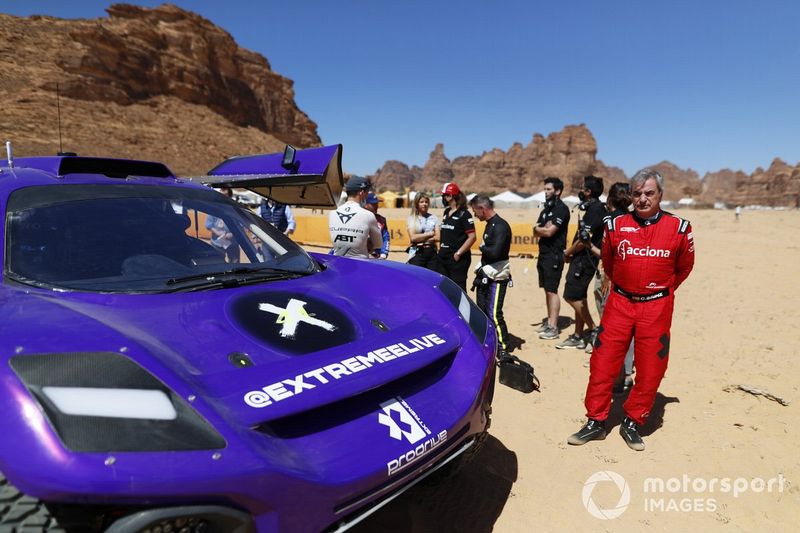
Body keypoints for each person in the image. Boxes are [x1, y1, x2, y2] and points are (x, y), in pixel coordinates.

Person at [568, 168, 695, 451]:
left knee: (651, 369)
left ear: (660, 194)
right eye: (637, 194)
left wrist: (658, 289)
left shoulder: (680, 228)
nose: (642, 199)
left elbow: (684, 267)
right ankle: (596, 422)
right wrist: (627, 287)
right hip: (620, 304)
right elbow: (610, 264)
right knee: (602, 363)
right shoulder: (615, 224)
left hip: (656, 306)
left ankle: (632, 421)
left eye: (649, 193)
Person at [586, 182, 635, 393]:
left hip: (610, 278)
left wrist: (589, 246)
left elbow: (608, 254)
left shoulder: (611, 222)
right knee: (629, 329)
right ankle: (627, 371)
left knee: (611, 327)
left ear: (610, 199)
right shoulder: (636, 220)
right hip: (630, 280)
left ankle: (618, 376)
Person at [556, 176, 606, 350]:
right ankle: (578, 335)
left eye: (583, 188)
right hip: (580, 258)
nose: (581, 191)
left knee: (571, 296)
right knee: (580, 297)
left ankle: (593, 329)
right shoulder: (592, 208)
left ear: (588, 192)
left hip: (585, 260)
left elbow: (585, 240)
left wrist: (567, 252)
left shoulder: (596, 210)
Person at [469, 194, 512, 352]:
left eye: (475, 211)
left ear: (482, 208)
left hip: (498, 277)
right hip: (485, 276)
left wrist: (482, 247)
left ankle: (503, 347)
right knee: (482, 311)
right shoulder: (489, 224)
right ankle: (489, 343)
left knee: (494, 314)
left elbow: (495, 253)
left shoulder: (501, 226)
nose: (474, 215)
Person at [533, 177, 570, 340]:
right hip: (543, 254)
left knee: (552, 290)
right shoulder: (546, 209)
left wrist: (542, 228)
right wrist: (541, 227)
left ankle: (553, 328)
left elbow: (549, 232)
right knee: (546, 290)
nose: (546, 192)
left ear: (558, 191)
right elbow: (535, 229)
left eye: (549, 189)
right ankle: (549, 322)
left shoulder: (561, 209)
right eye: (545, 189)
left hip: (554, 255)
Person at [328, 176, 382, 258]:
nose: (367, 196)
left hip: (338, 262)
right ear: (362, 193)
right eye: (367, 193)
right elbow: (378, 244)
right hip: (360, 264)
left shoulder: (332, 213)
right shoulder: (368, 215)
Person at [437, 182, 476, 291]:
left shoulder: (464, 214)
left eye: (444, 195)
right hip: (443, 257)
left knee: (458, 290)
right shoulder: (446, 212)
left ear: (450, 196)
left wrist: (458, 253)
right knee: (444, 289)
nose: (443, 198)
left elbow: (472, 237)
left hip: (457, 260)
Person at [407, 192, 440, 270]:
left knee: (431, 278)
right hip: (417, 253)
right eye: (421, 202)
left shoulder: (434, 218)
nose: (424, 204)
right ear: (417, 203)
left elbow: (438, 237)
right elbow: (413, 238)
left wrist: (422, 239)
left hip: (432, 253)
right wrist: (430, 234)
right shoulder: (412, 219)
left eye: (426, 202)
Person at [205, 187, 239, 262]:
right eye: (221, 195)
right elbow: (208, 224)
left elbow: (240, 225)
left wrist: (232, 234)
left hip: (232, 243)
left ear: (229, 196)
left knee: (235, 263)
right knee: (217, 263)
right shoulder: (213, 208)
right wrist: (217, 232)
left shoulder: (234, 209)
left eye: (225, 196)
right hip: (216, 243)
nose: (223, 198)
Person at [364, 193, 390, 259]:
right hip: (360, 255)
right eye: (373, 204)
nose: (376, 206)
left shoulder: (382, 220)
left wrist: (383, 254)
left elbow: (386, 238)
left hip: (377, 257)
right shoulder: (357, 218)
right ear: (365, 205)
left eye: (377, 204)